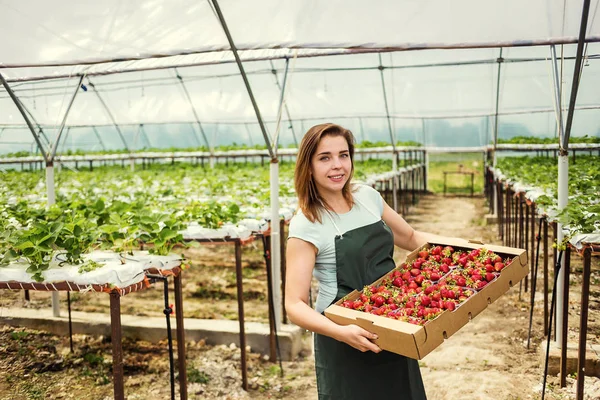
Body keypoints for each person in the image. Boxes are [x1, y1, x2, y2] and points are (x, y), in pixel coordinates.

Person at [285, 123, 430, 400]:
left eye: (343, 155)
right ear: (309, 165)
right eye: (324, 158)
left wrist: (462, 247)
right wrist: (341, 332)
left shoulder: (368, 198)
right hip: (344, 336)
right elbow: (294, 305)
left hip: (393, 321)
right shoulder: (307, 223)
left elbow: (410, 237)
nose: (337, 165)